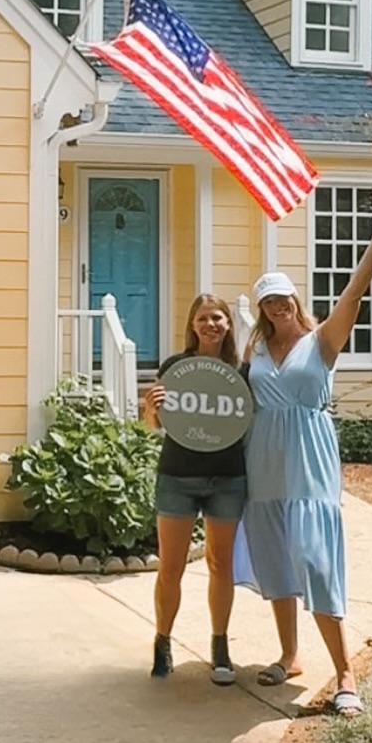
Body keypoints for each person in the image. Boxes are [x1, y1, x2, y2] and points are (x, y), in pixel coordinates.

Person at [235, 224, 372, 717]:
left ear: (294, 299)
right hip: (263, 460)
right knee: (275, 560)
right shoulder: (252, 350)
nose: (279, 307)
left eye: (284, 298)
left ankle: (344, 674)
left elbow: (354, 294)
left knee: (316, 562)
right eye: (269, 302)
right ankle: (289, 656)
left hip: (309, 459)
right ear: (261, 308)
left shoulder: (322, 341)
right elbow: (231, 399)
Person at [141, 294, 248, 686]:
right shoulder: (175, 368)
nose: (211, 324)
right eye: (203, 318)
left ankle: (220, 646)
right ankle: (162, 641)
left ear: (228, 325)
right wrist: (150, 409)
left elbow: (250, 425)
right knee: (170, 567)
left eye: (218, 318)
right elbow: (156, 425)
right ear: (193, 324)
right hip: (177, 477)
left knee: (221, 565)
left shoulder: (241, 373)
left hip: (227, 478)